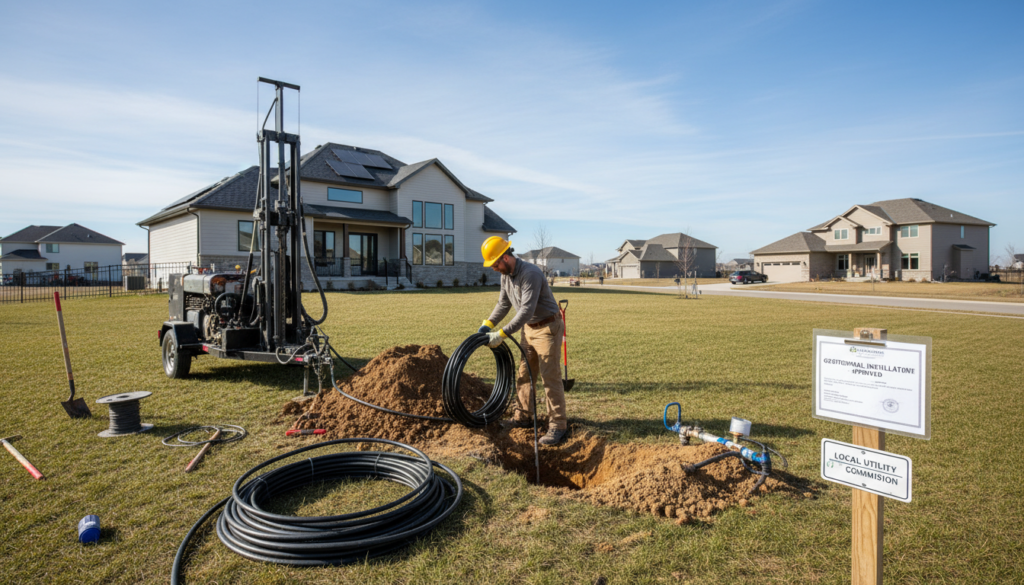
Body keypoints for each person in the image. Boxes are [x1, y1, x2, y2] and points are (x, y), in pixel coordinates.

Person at [478, 236, 567, 446]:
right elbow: (503, 303)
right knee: (524, 374)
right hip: (528, 329)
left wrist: (502, 334)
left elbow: (526, 310)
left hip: (547, 328)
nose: (494, 269)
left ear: (505, 257)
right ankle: (523, 417)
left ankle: (558, 425)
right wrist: (488, 324)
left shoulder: (530, 274)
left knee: (550, 377)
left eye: (495, 264)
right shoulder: (506, 276)